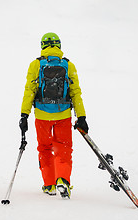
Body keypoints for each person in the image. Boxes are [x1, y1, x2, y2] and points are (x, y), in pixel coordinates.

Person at [19, 32, 88, 199]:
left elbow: (29, 91)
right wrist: (82, 117)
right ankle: (63, 180)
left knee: (45, 148)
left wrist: (24, 115)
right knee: (63, 148)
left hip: (42, 116)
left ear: (42, 46)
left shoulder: (35, 65)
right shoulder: (68, 65)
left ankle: (49, 184)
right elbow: (75, 92)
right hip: (63, 115)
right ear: (59, 45)